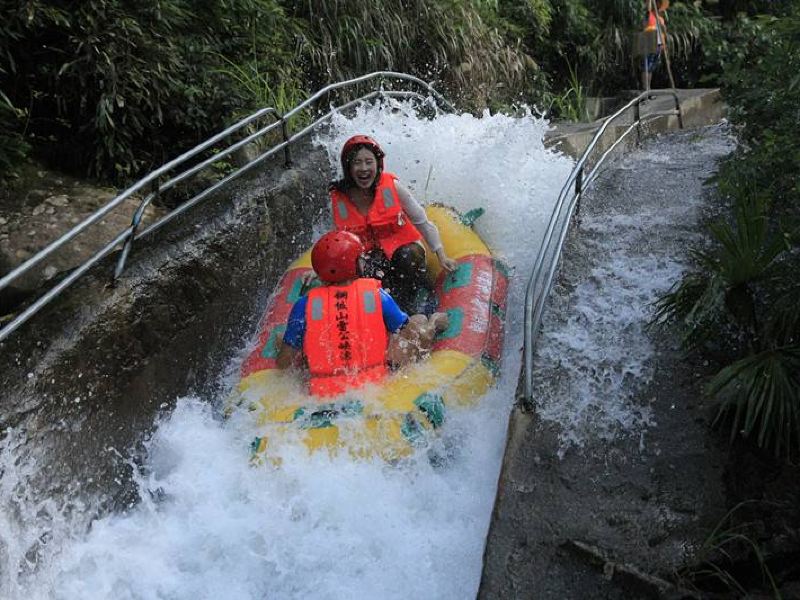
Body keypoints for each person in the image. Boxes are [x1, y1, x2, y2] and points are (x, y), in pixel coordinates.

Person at [276, 230, 448, 397]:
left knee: (288, 341)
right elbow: (416, 338)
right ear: (356, 265)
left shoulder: (303, 306)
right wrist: (432, 323)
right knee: (418, 320)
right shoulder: (376, 297)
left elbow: (284, 363)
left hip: (320, 392)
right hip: (374, 385)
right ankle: (433, 321)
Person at [328, 135, 457, 313]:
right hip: (372, 258)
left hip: (406, 253)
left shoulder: (392, 187)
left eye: (368, 162)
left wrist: (442, 256)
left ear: (378, 164)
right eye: (357, 163)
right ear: (348, 167)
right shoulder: (339, 198)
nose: (364, 168)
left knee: (406, 257)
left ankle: (411, 303)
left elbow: (422, 221)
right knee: (368, 268)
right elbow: (336, 240)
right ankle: (384, 308)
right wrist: (321, 269)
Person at [641, 0, 669, 91]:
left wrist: (663, 27)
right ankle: (645, 88)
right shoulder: (648, 15)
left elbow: (664, 32)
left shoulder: (660, 19)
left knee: (651, 67)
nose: (658, 5)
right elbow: (647, 9)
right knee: (647, 66)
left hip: (658, 44)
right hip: (649, 42)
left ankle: (649, 87)